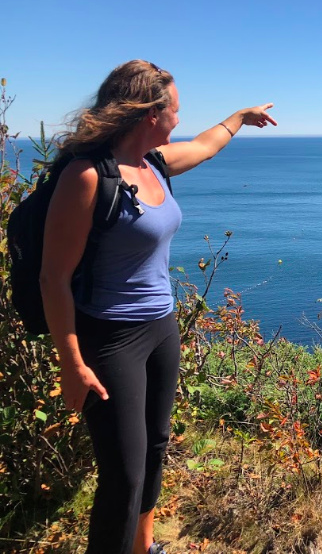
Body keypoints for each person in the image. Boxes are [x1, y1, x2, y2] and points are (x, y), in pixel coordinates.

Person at [39, 60, 276, 554]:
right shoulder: (87, 177)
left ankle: (144, 546)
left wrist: (239, 117)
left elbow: (206, 146)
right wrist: (71, 363)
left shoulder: (154, 164)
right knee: (123, 476)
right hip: (111, 339)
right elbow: (53, 277)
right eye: (176, 110)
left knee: (154, 449)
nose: (179, 119)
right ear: (151, 114)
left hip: (161, 328)